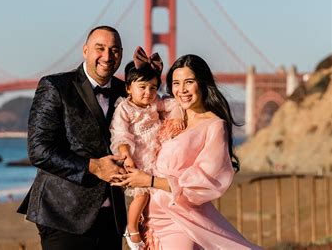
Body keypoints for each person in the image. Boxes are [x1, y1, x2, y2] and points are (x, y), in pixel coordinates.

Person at [111, 54, 262, 249]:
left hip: (180, 220)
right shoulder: (166, 115)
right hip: (149, 220)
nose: (181, 90)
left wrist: (148, 181)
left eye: (189, 82)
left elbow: (206, 179)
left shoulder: (214, 125)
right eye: (175, 83)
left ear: (202, 83)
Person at [17, 25, 128, 250]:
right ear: (85, 50)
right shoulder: (55, 86)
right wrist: (93, 166)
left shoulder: (127, 91)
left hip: (112, 218)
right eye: (100, 48)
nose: (107, 56)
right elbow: (38, 150)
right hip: (62, 215)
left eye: (114, 50)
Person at [109, 47, 185, 250]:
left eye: (153, 88)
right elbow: (120, 134)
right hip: (137, 157)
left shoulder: (155, 103)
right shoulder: (124, 108)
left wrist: (177, 114)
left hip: (155, 154)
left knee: (153, 196)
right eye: (142, 87)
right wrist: (126, 156)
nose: (148, 93)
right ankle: (131, 229)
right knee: (142, 194)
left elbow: (172, 103)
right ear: (128, 88)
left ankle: (145, 226)